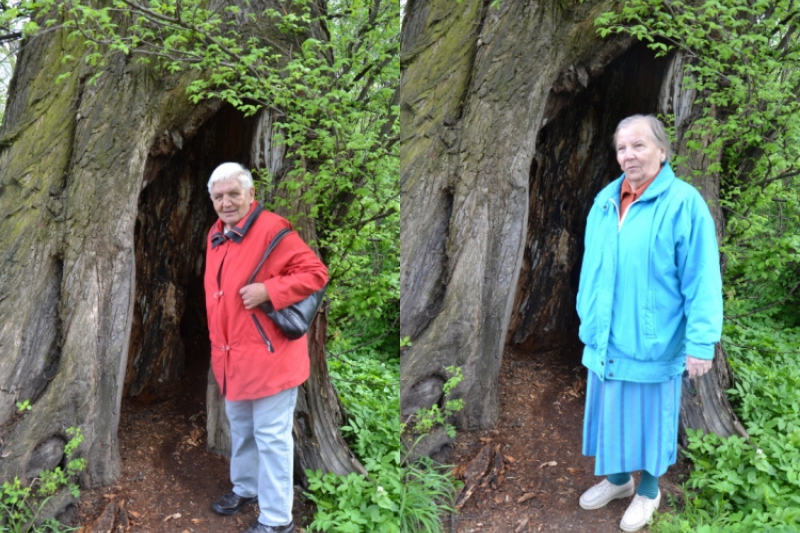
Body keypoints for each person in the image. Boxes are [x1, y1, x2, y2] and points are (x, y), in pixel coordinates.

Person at [575, 115, 723, 532]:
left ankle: (649, 490)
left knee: (652, 417)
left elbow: (702, 277)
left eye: (638, 146)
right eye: (622, 148)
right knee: (610, 412)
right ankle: (620, 481)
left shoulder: (684, 203)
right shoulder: (606, 200)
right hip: (607, 336)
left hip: (655, 338)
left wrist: (701, 341)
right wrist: (587, 314)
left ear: (662, 150)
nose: (629, 156)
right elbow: (591, 266)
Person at [204, 162, 328, 533]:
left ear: (250, 195)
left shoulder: (273, 229)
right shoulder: (216, 232)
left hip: (271, 358)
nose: (226, 203)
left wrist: (269, 291)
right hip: (231, 356)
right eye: (218, 196)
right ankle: (246, 488)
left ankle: (277, 520)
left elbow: (316, 273)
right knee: (241, 429)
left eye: (233, 194)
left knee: (272, 437)